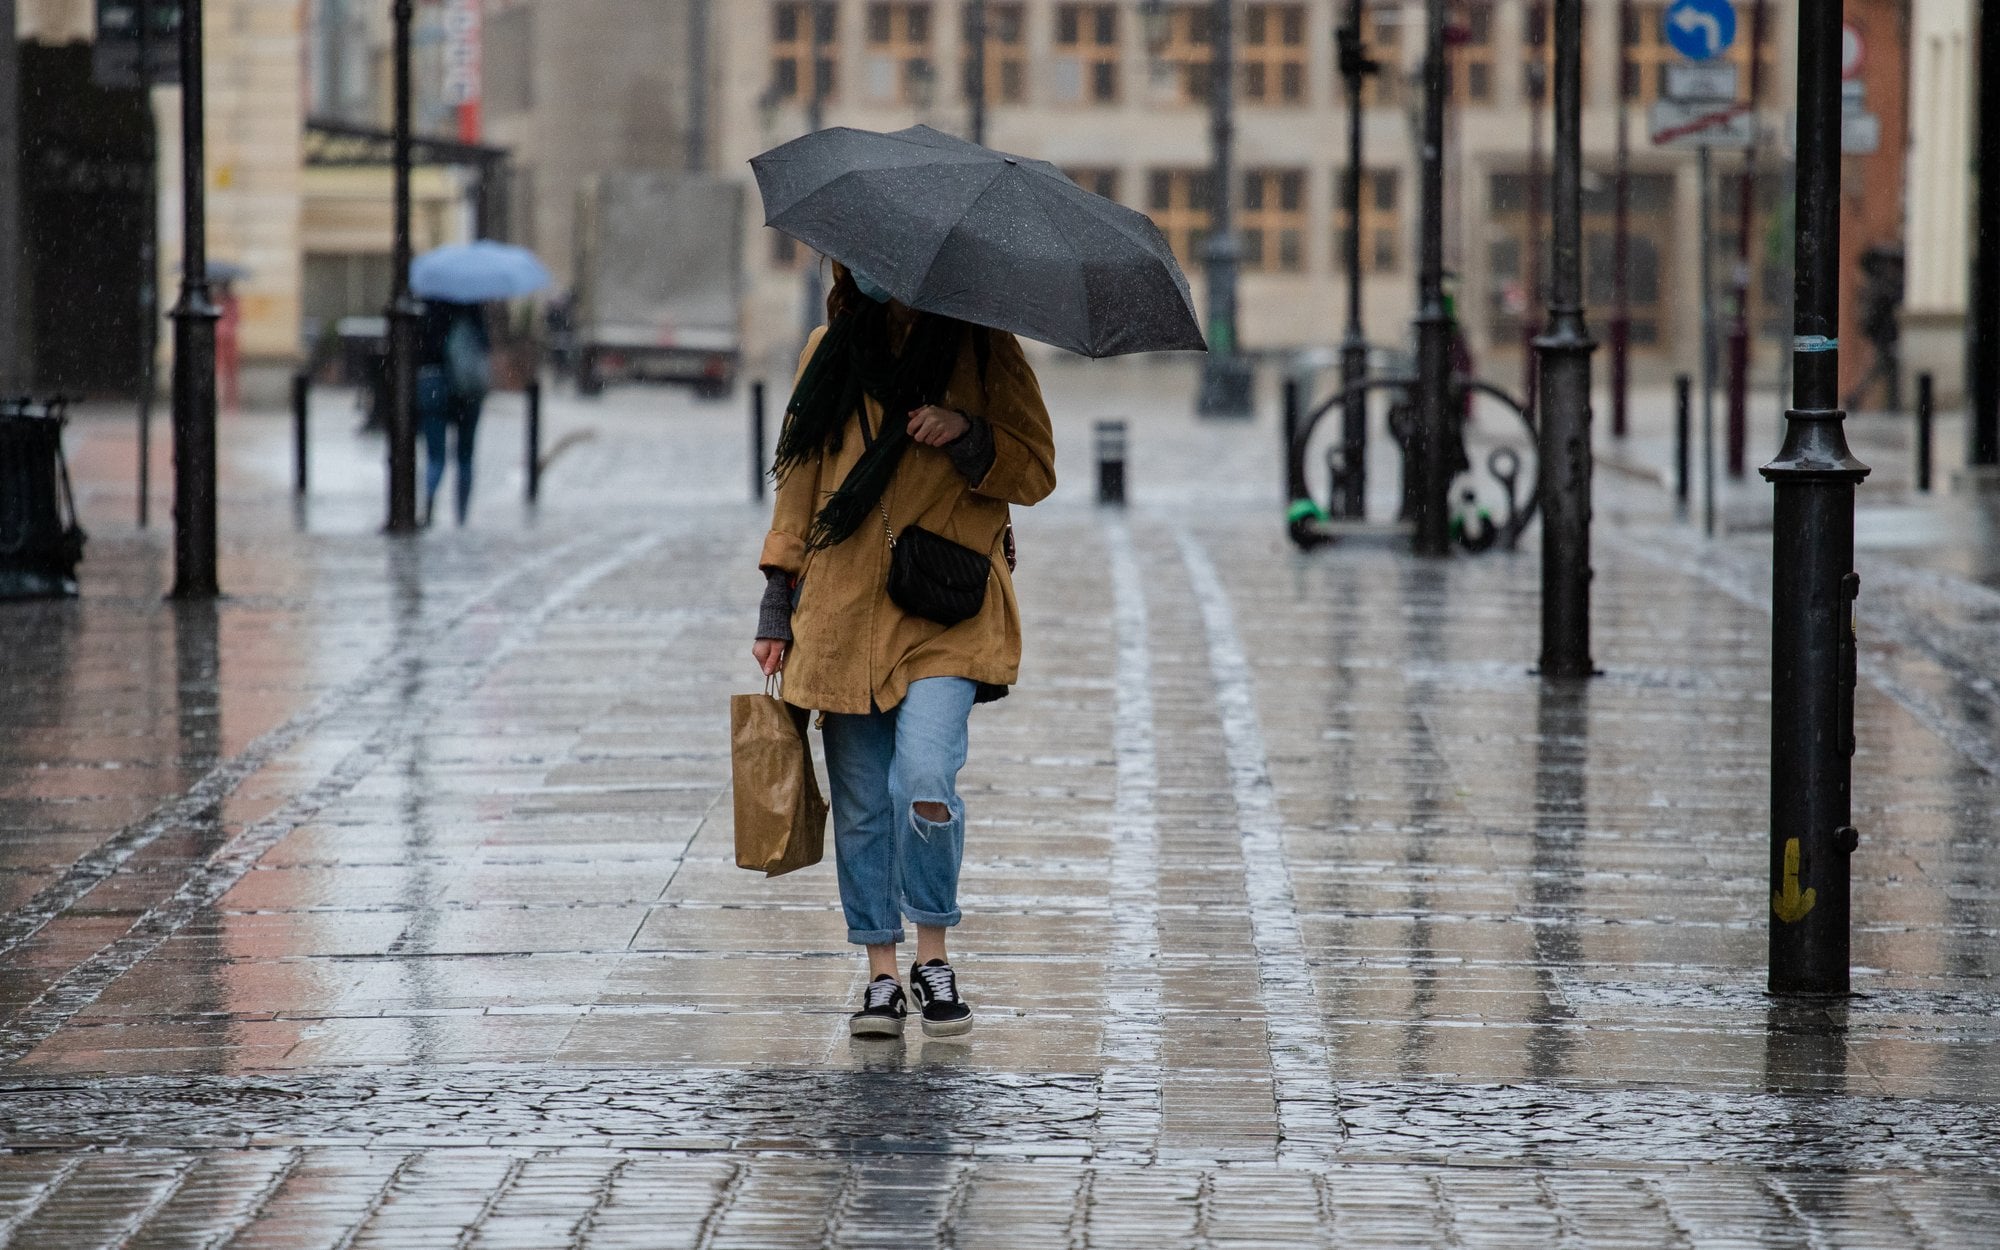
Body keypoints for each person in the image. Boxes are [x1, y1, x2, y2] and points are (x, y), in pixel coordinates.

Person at [752, 262, 1055, 1040]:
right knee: (860, 804)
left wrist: (966, 433)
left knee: (923, 776)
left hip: (943, 604)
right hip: (842, 609)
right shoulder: (830, 349)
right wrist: (776, 602)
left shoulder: (985, 349)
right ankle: (881, 974)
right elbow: (798, 479)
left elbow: (1036, 467)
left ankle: (933, 953)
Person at [416, 299, 492, 526]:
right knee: (465, 456)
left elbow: (419, 346)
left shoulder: (430, 304)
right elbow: (484, 345)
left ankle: (429, 504)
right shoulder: (472, 306)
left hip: (433, 383)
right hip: (467, 387)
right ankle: (462, 514)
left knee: (435, 455)